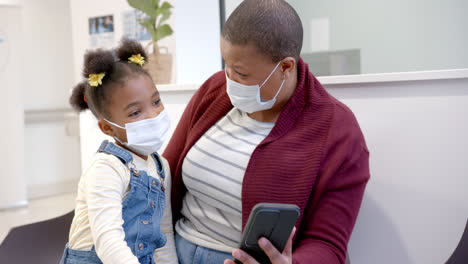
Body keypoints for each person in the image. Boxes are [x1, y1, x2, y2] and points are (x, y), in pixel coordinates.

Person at [163, 0, 370, 263]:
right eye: (226, 64)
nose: (229, 79)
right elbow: (165, 174)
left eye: (240, 72)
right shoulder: (214, 91)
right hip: (171, 249)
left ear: (285, 67)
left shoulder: (337, 130)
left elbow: (328, 243)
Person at [60, 39, 178, 264]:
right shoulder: (106, 168)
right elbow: (109, 242)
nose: (153, 115)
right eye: (135, 113)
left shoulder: (161, 167)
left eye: (156, 102)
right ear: (107, 127)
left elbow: (164, 235)